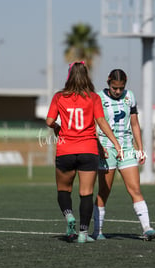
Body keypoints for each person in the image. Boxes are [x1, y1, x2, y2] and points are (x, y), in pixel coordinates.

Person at [46, 62, 123, 243]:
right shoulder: (94, 98)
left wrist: (58, 127)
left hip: (65, 150)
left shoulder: (59, 97)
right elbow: (102, 123)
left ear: (69, 75)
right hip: (88, 150)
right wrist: (116, 144)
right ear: (87, 76)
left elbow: (49, 121)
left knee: (63, 190)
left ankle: (69, 217)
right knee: (86, 193)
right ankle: (82, 233)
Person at [92, 69, 155, 241]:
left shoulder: (130, 96)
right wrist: (99, 146)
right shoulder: (98, 98)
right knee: (103, 191)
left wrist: (140, 148)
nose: (117, 91)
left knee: (135, 189)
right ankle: (97, 230)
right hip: (107, 149)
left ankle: (147, 228)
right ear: (108, 82)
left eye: (121, 88)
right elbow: (94, 125)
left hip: (127, 148)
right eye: (115, 88)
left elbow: (135, 124)